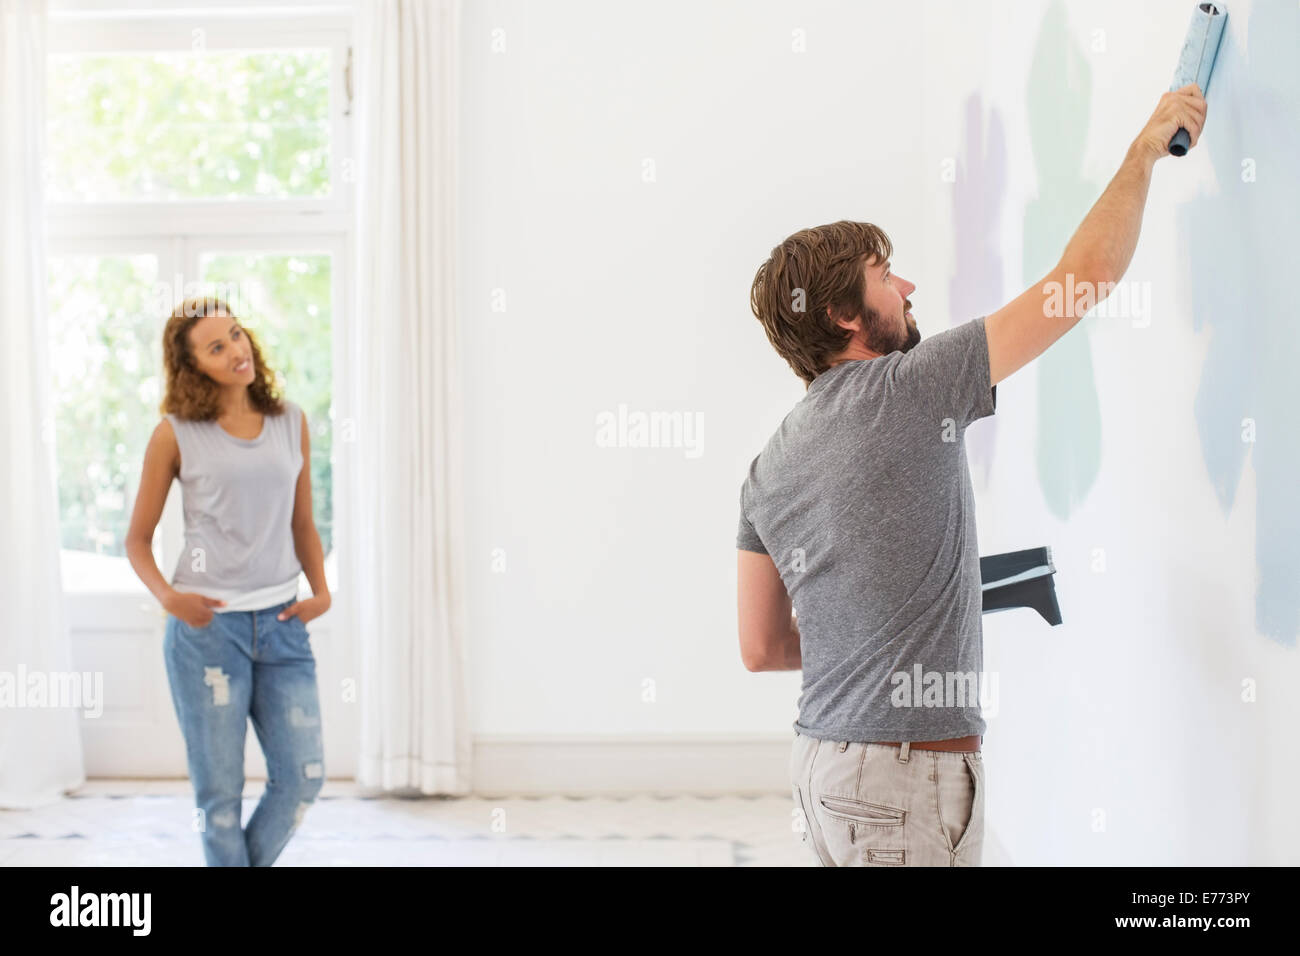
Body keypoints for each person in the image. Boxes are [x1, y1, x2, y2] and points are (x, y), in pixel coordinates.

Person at [737, 85, 1208, 866]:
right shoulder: (910, 388)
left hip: (823, 770)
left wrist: (888, 626)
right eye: (886, 276)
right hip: (899, 785)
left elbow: (761, 646)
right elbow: (1081, 279)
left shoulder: (769, 467)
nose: (909, 289)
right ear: (843, 317)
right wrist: (1142, 153)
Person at [125, 295, 332, 866]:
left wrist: (320, 591)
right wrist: (170, 597)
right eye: (217, 347)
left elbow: (302, 521)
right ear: (194, 366)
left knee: (304, 777)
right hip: (208, 634)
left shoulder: (290, 421)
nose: (236, 351)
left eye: (237, 335)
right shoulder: (175, 434)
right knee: (218, 800)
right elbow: (136, 540)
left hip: (283, 626)